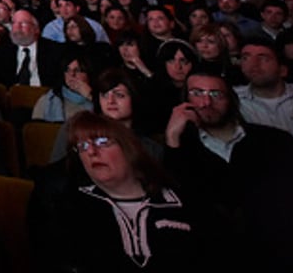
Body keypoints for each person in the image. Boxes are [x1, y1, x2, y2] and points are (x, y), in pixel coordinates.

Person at [163, 65, 293, 271]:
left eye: (215, 94)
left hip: (286, 256)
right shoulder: (181, 151)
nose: (206, 102)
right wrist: (172, 139)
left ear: (231, 99)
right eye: (197, 93)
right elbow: (177, 204)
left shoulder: (274, 141)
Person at [48, 112, 215, 273]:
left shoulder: (184, 203)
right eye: (83, 146)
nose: (91, 152)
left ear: (129, 148)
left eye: (102, 141)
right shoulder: (70, 207)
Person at [234, 36, 293, 135]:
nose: (253, 64)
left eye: (264, 59)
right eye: (246, 58)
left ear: (282, 70)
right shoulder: (233, 99)